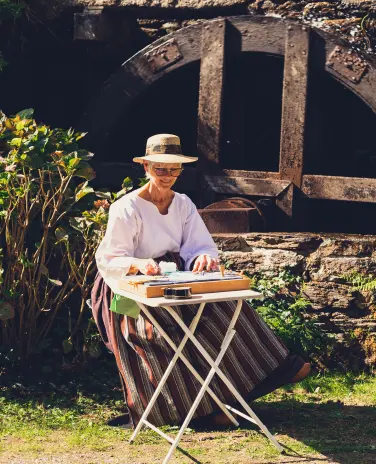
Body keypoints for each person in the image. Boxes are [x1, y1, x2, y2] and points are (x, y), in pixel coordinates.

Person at [92, 133, 310, 428]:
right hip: (126, 289)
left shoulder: (183, 204)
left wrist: (202, 259)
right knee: (153, 335)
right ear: (145, 166)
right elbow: (110, 259)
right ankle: (196, 413)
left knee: (227, 310)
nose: (167, 175)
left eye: (173, 169)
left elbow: (201, 245)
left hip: (173, 280)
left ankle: (268, 375)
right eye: (160, 169)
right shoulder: (126, 208)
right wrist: (140, 264)